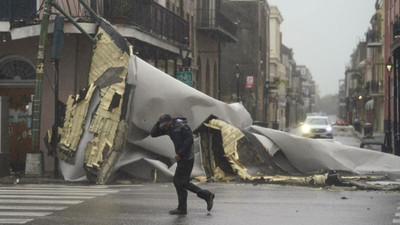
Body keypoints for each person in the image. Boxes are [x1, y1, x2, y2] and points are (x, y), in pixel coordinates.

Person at [151, 114, 215, 215]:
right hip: (181, 158)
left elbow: (189, 141)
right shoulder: (168, 127)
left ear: (170, 121)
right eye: (163, 126)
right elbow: (153, 134)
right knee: (180, 182)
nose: (164, 127)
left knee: (180, 182)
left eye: (165, 125)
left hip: (187, 157)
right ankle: (185, 206)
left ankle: (203, 197)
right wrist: (158, 122)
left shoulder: (183, 126)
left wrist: (180, 153)